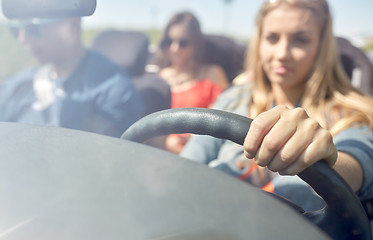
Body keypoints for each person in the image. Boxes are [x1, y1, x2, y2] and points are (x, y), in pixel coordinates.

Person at [181, 0, 373, 211]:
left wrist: (325, 161)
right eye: (272, 38)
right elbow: (185, 167)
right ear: (259, 42)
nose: (282, 54)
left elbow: (360, 160)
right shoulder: (233, 98)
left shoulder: (351, 113)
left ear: (321, 47)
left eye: (300, 40)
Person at [0, 17, 144, 138]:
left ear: (73, 25)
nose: (22, 39)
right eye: (15, 30)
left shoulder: (113, 91)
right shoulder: (20, 83)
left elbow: (111, 163)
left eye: (33, 29)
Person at [154, 11, 230, 153]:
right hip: (163, 151)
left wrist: (193, 138)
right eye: (169, 41)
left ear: (195, 44)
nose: (175, 48)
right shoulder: (158, 78)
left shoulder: (213, 73)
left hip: (201, 150)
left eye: (183, 43)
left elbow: (226, 118)